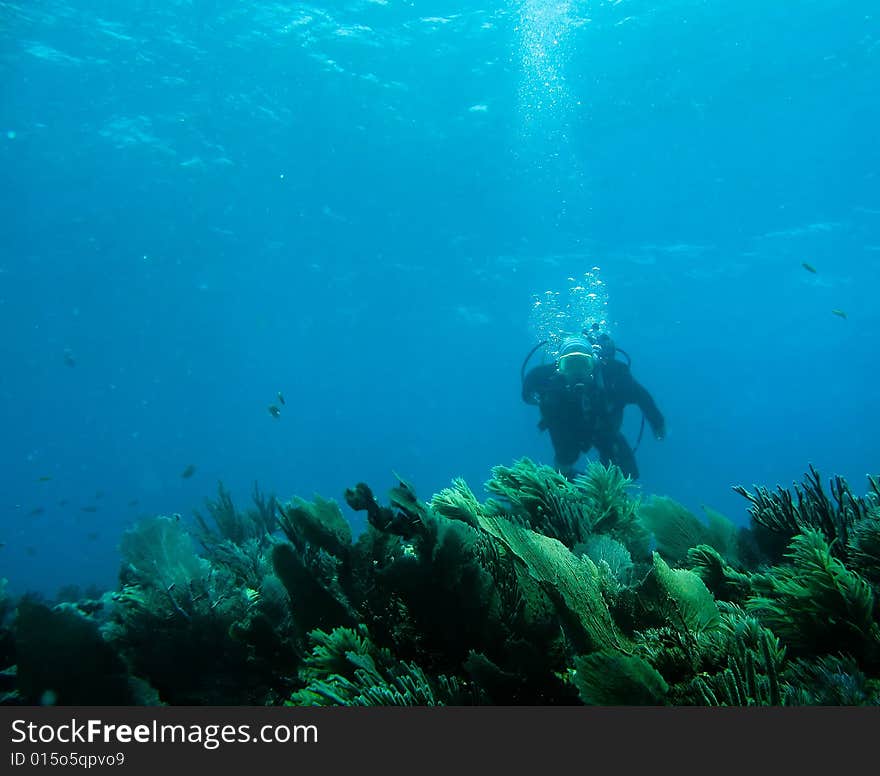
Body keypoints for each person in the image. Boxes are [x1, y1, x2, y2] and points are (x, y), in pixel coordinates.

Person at [521, 330, 665, 480]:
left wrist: (657, 423)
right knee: (565, 459)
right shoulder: (547, 377)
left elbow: (641, 395)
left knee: (627, 472)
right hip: (568, 427)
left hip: (603, 427)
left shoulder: (613, 375)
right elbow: (528, 386)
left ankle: (605, 491)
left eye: (583, 364)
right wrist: (531, 397)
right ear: (559, 367)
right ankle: (568, 484)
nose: (577, 373)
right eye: (569, 365)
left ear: (593, 363)